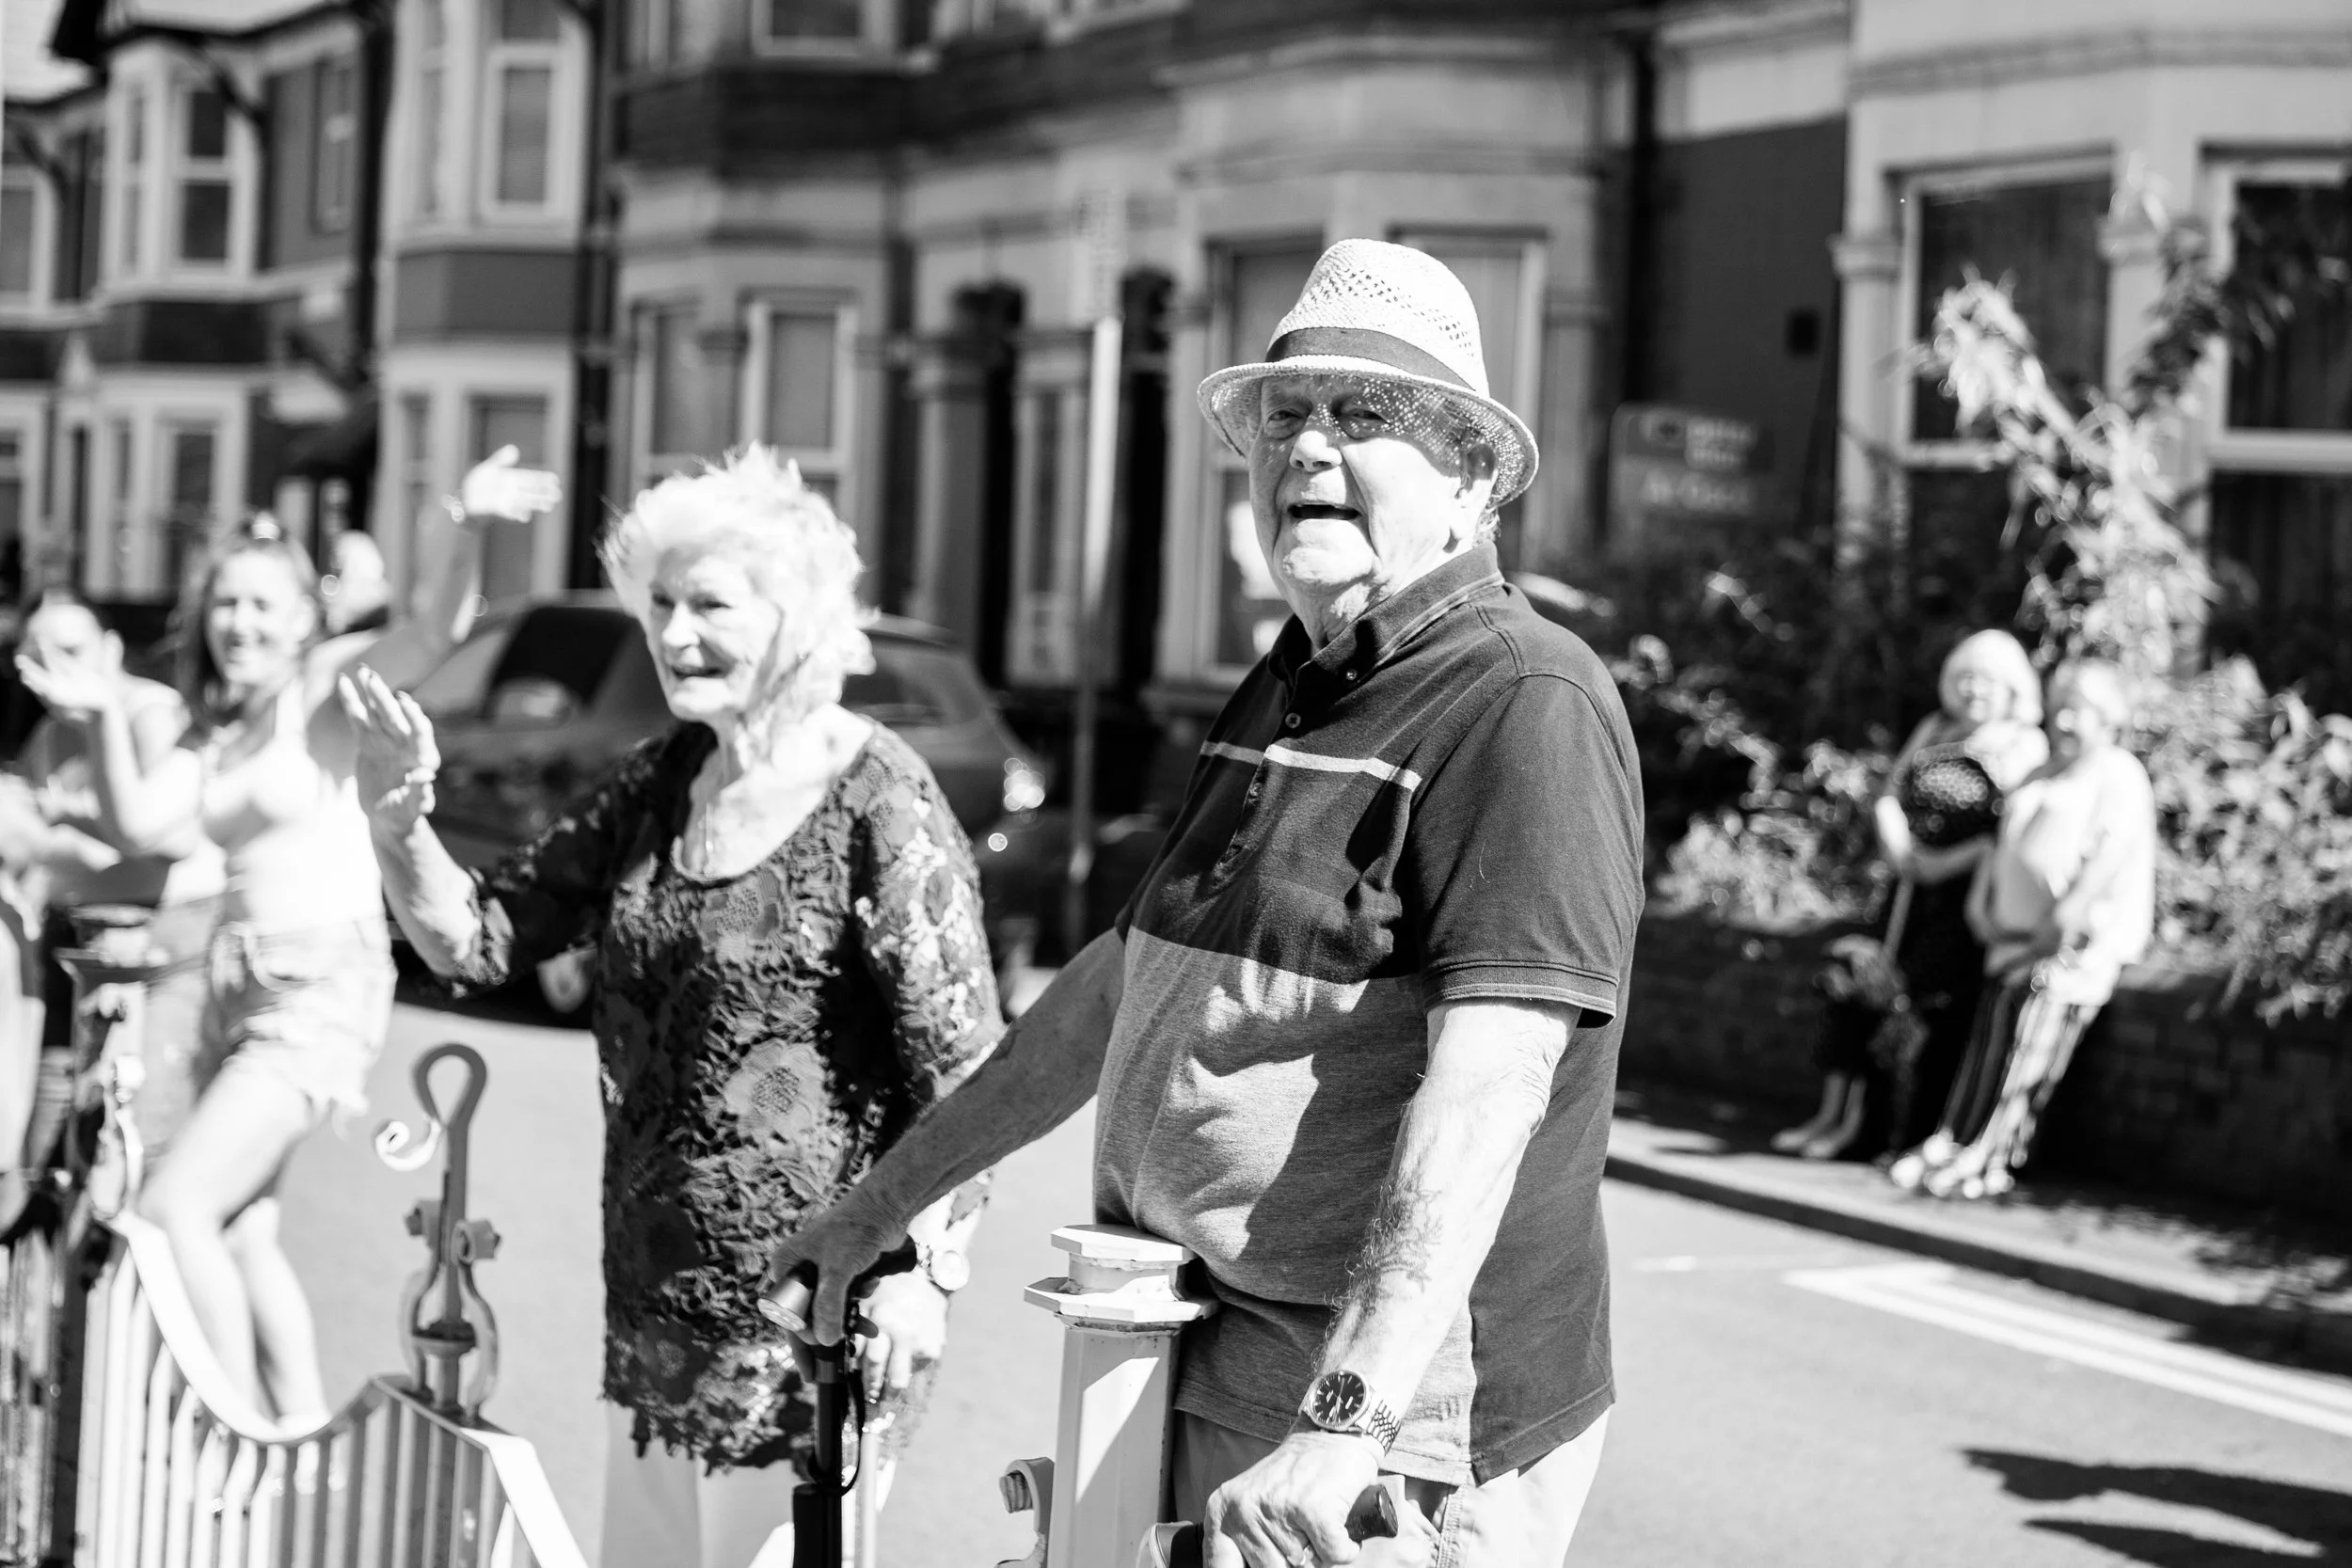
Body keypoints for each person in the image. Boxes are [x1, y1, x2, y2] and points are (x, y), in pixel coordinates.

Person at [771, 239, 1645, 1568]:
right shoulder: (1293, 676)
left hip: (1377, 1430)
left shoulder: (1525, 701)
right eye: (1284, 416)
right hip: (1193, 1344)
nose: (1305, 447)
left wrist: (1344, 1421)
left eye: (1363, 417)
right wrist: (882, 1202)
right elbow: (1122, 985)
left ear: (1470, 477)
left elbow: (1488, 1097)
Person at [342, 445, 999, 1568]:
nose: (674, 634)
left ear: (792, 616)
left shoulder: (877, 794)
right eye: (658, 602)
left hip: (819, 1327)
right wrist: (399, 823)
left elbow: (967, 1074)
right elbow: (478, 941)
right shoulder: (664, 775)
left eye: (710, 604)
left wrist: (928, 1281)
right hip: (653, 1310)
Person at [15, 450, 560, 1428]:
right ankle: (301, 1444)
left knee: (174, 1208)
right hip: (235, 985)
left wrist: (460, 519)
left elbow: (435, 625)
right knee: (245, 1229)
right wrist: (99, 715)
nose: (241, 623)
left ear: (309, 616)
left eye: (264, 604)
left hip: (313, 987)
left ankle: (235, 1441)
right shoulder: (224, 728)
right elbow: (144, 826)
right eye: (226, 603)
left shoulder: (320, 689)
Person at [1772, 630, 2046, 1161]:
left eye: (1986, 680)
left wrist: (1946, 864)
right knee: (1861, 993)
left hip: (1962, 904)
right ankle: (1835, 1118)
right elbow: (1891, 793)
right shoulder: (1935, 727)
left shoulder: (2022, 743)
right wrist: (1897, 841)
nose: (1973, 690)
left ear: (2012, 686)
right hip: (1905, 893)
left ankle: (1884, 1131)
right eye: (1964, 676)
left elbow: (2006, 831)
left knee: (1914, 1010)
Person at [1892, 660, 2155, 1199]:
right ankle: (1954, 1138)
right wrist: (1985, 911)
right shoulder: (2044, 771)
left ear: (2110, 720)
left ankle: (1991, 1155)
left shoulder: (2119, 774)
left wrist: (2055, 929)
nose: (2062, 719)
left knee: (2027, 1044)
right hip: (2008, 944)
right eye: (2059, 705)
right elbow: (2003, 846)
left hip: (2064, 955)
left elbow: (2107, 861)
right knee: (1986, 1041)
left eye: (2077, 709)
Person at [0, 589, 225, 1205]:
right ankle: (48, 1289)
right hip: (73, 947)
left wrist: (55, 834)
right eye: (37, 655)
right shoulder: (49, 736)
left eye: (71, 650)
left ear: (111, 648)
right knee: (42, 1149)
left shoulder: (153, 714)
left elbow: (158, 844)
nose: (56, 670)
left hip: (156, 951)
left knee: (132, 1149)